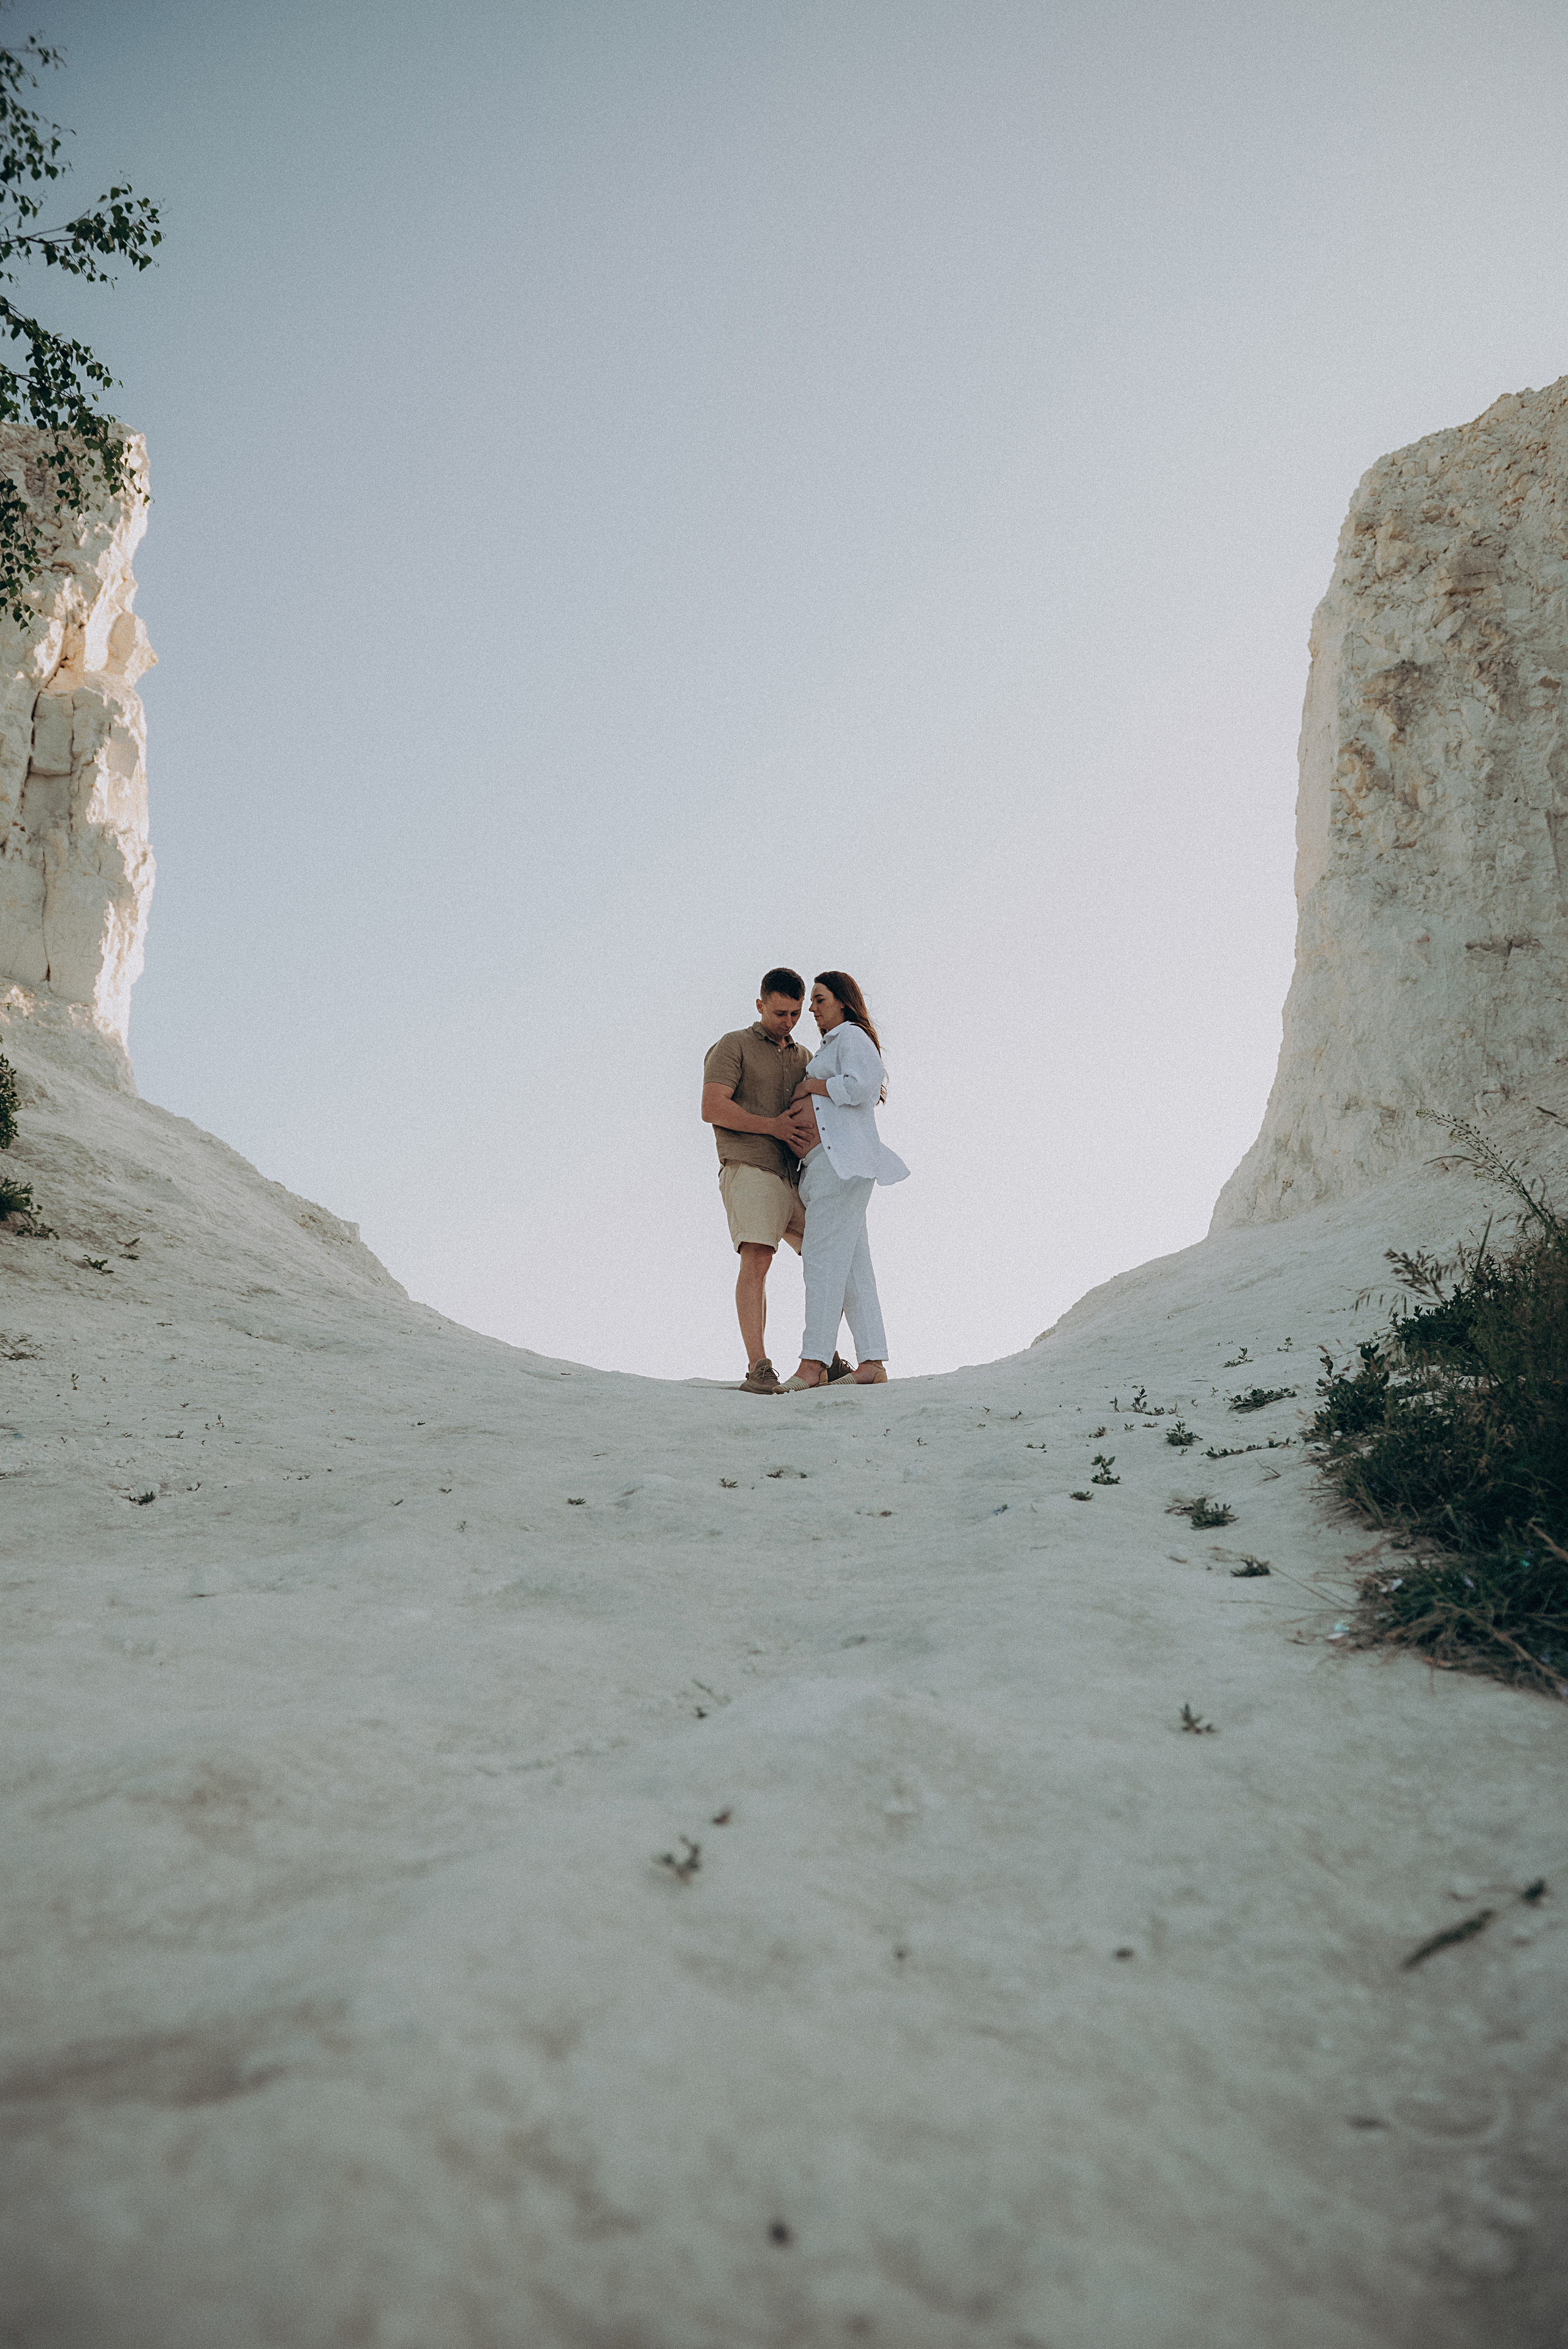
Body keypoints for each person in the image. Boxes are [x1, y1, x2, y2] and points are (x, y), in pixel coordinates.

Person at [780, 971, 908, 1391]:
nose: (812, 1009)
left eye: (819, 999)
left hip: (840, 1166)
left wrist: (814, 1085)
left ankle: (813, 1362)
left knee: (820, 1260)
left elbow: (864, 1086)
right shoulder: (832, 1044)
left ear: (842, 1002)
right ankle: (871, 1360)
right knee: (854, 1268)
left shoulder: (851, 1035)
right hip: (825, 1168)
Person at [701, 969, 824, 1395]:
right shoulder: (733, 1044)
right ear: (759, 1005)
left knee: (829, 1255)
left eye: (794, 1013)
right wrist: (772, 1127)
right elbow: (712, 1106)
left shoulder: (806, 1055)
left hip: (798, 1179)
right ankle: (758, 1366)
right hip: (750, 1167)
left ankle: (825, 1357)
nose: (787, 1021)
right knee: (758, 1257)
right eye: (778, 1013)